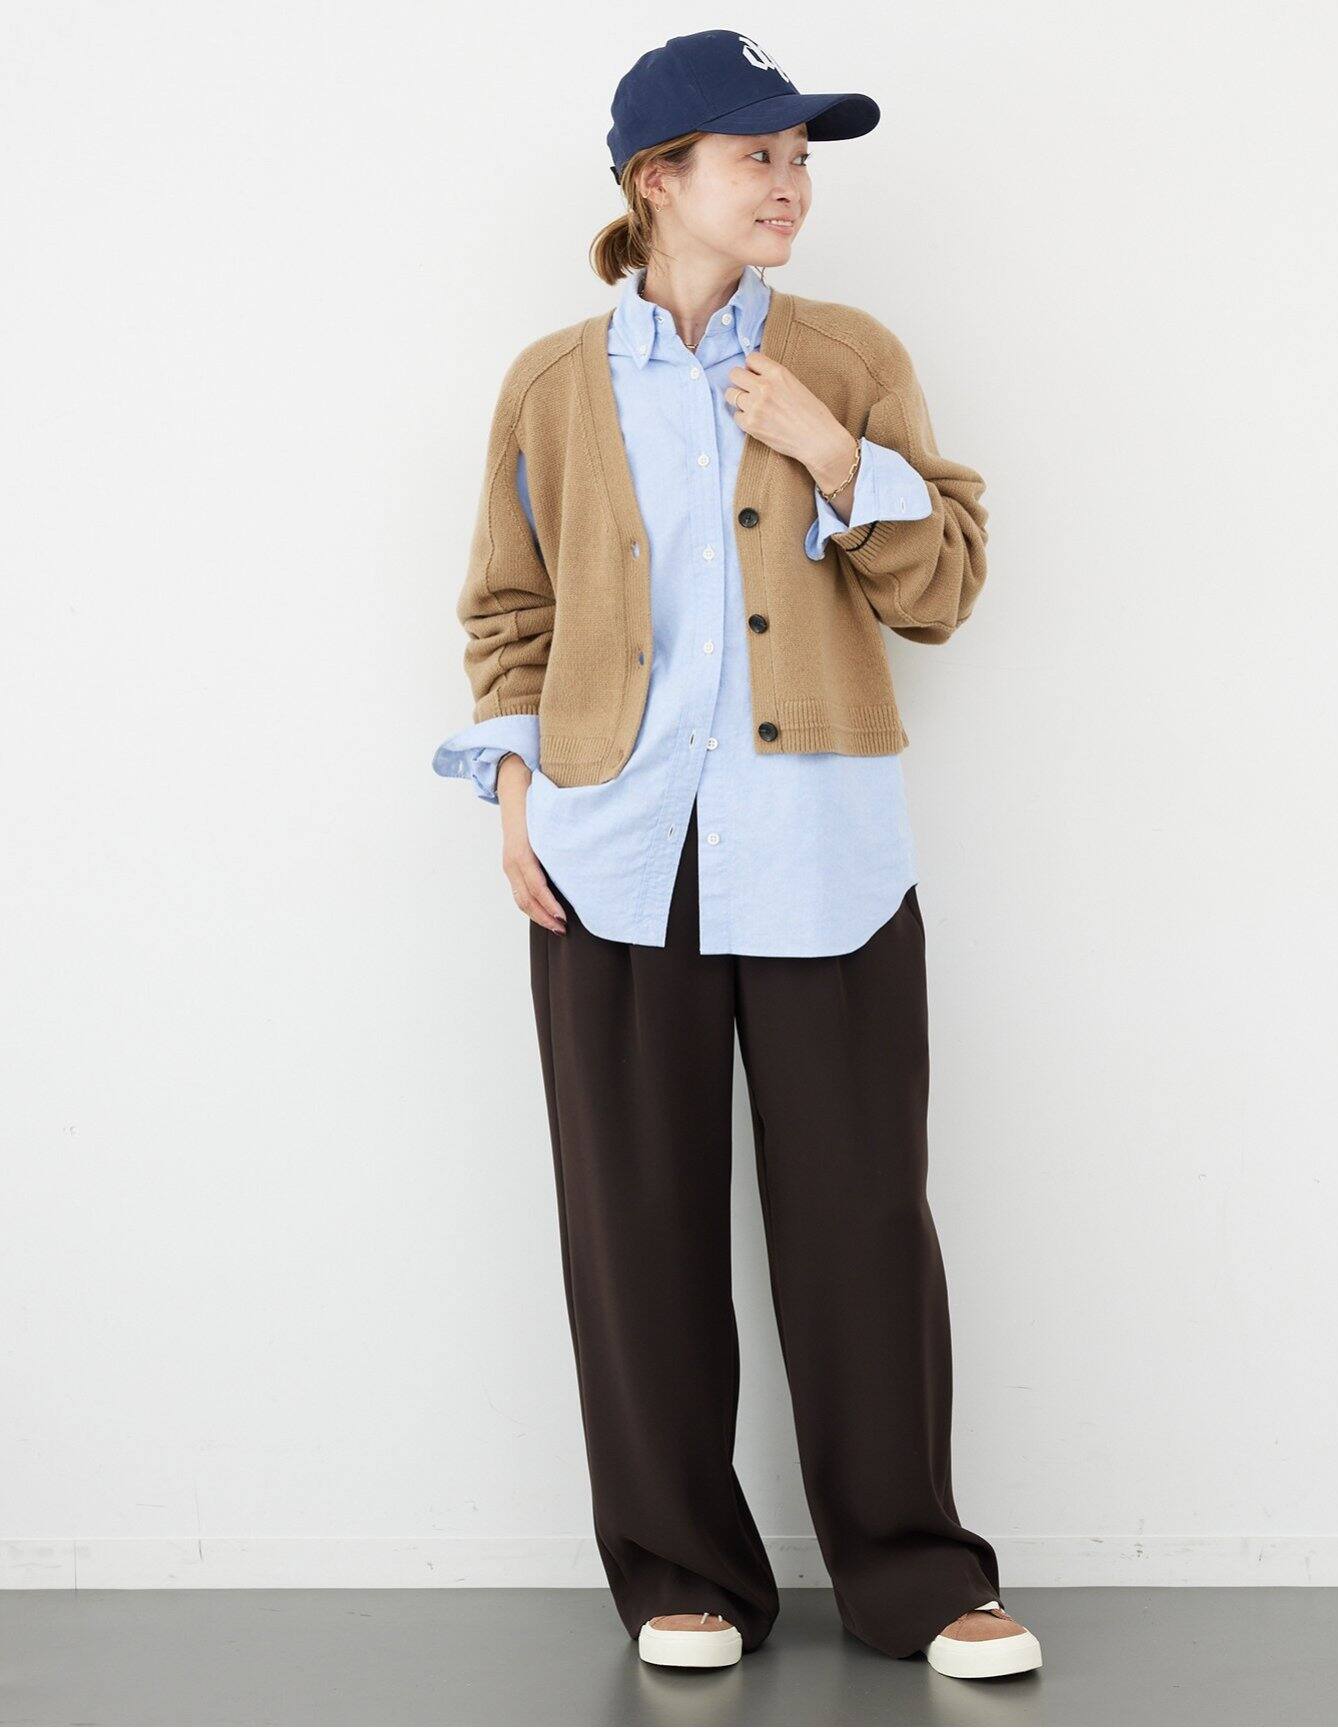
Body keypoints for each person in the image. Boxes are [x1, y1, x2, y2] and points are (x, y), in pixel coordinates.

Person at [432, 27, 1042, 1682]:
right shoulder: (552, 385)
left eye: (800, 157)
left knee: (863, 1225)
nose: (790, 184)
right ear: (659, 180)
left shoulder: (848, 356)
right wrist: (515, 792)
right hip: (612, 856)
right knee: (634, 1228)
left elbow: (944, 586)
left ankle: (917, 1577)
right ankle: (679, 1573)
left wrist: (837, 454)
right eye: (757, 154)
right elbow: (509, 609)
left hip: (822, 854)